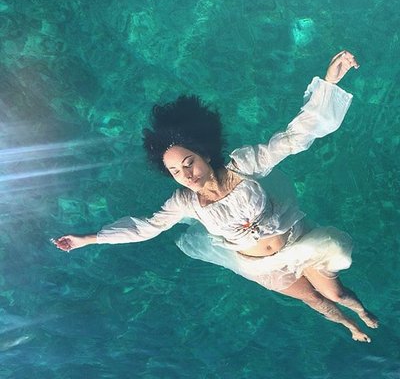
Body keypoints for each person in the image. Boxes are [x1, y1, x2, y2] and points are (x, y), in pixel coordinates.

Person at [53, 51, 378, 342]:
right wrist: (89, 239)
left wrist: (329, 84)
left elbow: (293, 138)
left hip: (298, 241)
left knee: (336, 293)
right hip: (263, 267)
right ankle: (350, 325)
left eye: (188, 162)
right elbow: (145, 228)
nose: (186, 174)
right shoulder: (184, 202)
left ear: (205, 154)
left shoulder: (244, 164)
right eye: (175, 171)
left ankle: (360, 310)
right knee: (314, 299)